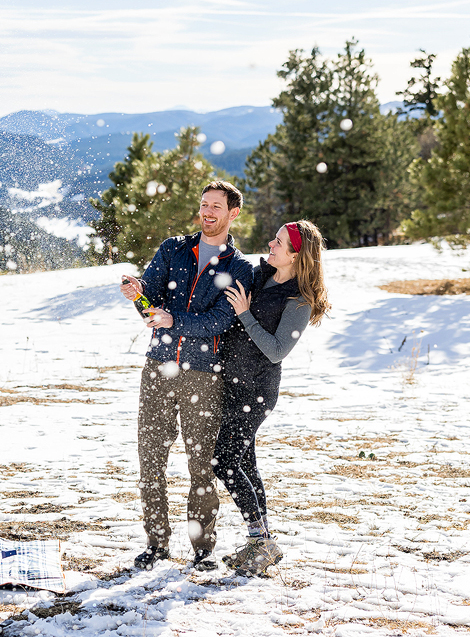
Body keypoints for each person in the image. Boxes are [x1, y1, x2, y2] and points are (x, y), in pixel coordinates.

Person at [119, 181, 254, 571]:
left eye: (216, 207)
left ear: (233, 213)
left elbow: (219, 321)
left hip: (203, 376)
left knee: (201, 464)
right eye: (204, 204)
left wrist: (172, 320)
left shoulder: (238, 267)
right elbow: (151, 303)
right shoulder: (173, 249)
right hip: (158, 368)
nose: (207, 212)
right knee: (150, 459)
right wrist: (138, 294)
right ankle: (156, 544)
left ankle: (203, 549)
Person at [212, 219, 331, 576]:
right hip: (232, 385)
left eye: (279, 242)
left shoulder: (299, 301)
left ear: (296, 255)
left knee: (223, 461)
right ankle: (260, 544)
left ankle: (260, 541)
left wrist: (245, 314)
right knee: (245, 462)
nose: (271, 244)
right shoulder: (262, 275)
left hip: (256, 392)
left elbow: (277, 351)